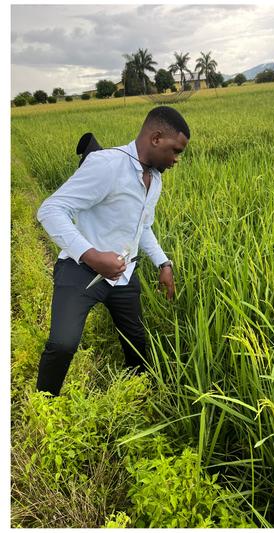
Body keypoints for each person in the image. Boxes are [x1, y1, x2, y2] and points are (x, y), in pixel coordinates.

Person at [35, 106, 190, 396]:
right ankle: (44, 407)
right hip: (80, 270)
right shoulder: (107, 165)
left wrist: (163, 263)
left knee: (136, 342)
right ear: (156, 138)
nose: (176, 160)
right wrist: (92, 255)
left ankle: (137, 396)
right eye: (174, 151)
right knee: (62, 343)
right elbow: (51, 209)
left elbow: (142, 227)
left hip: (123, 274)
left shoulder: (154, 178)